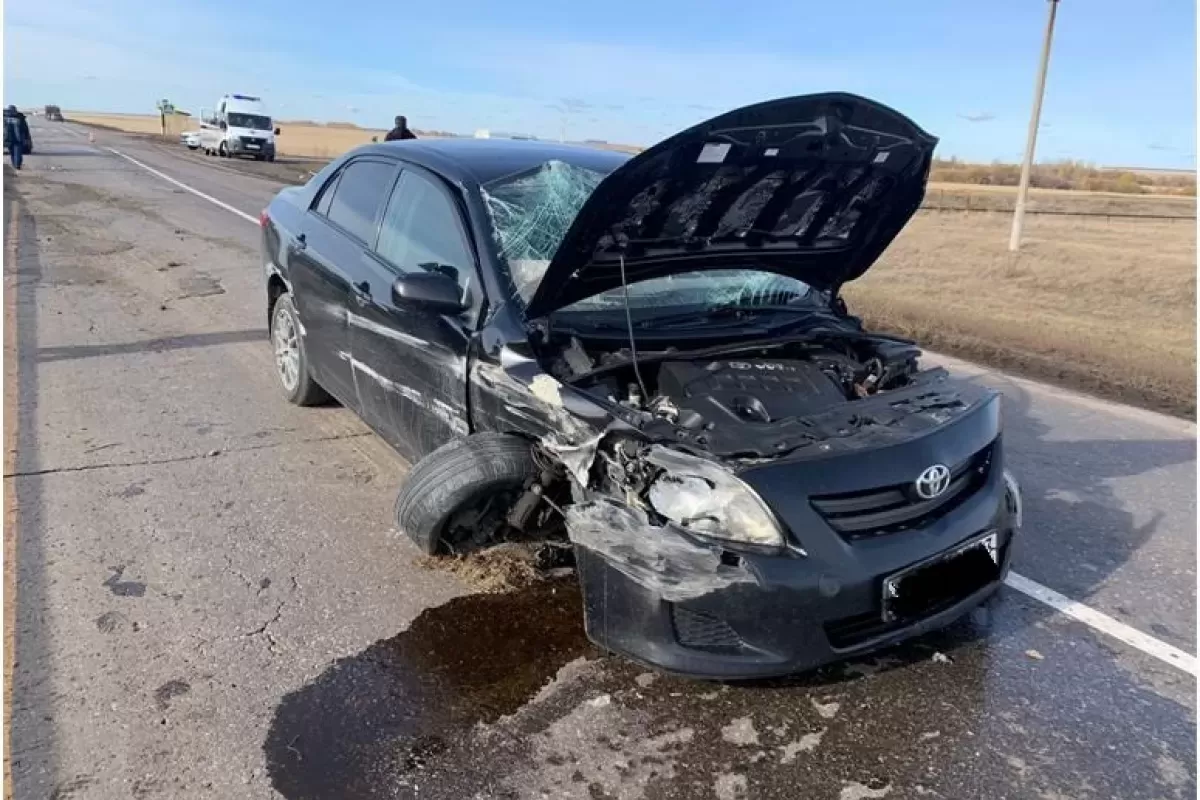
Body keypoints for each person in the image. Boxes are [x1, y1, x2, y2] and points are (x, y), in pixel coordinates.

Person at [4, 105, 30, 170]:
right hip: (14, 138)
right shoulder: (19, 118)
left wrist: (26, 137)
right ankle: (16, 165)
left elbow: (25, 128)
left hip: (12, 138)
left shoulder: (6, 118)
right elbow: (25, 129)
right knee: (15, 152)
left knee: (15, 152)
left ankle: (16, 165)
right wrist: (26, 137)